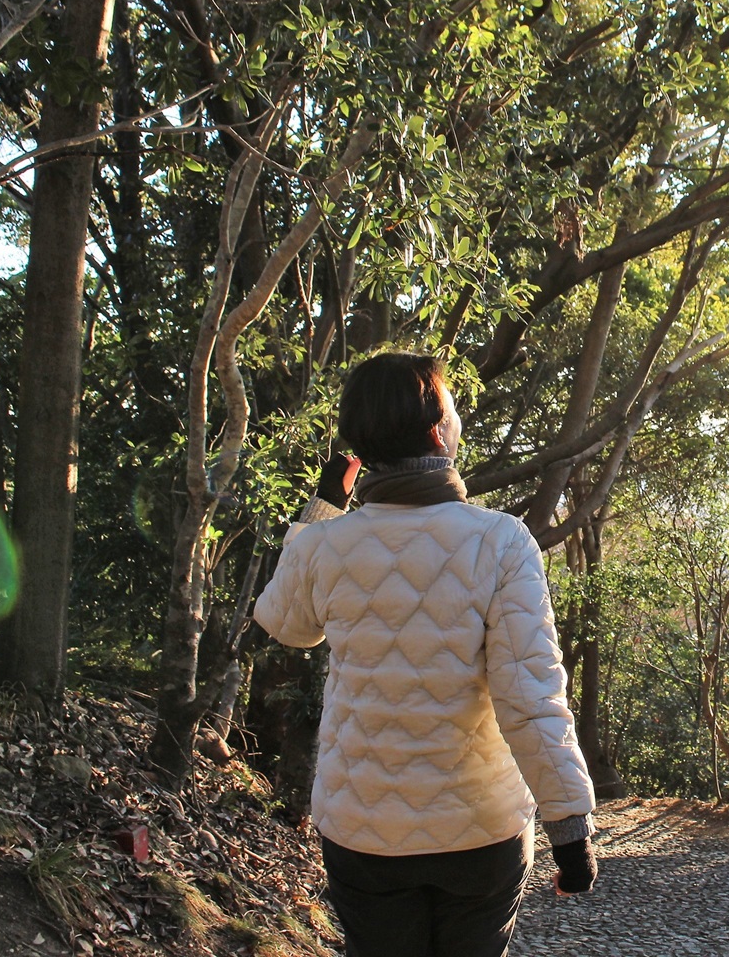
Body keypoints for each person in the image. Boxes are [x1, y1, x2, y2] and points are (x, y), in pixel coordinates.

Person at [255, 351, 598, 957]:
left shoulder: (325, 544)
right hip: (480, 834)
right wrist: (570, 832)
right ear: (440, 434)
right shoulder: (501, 541)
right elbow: (529, 695)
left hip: (362, 832)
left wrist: (325, 506)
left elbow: (286, 625)